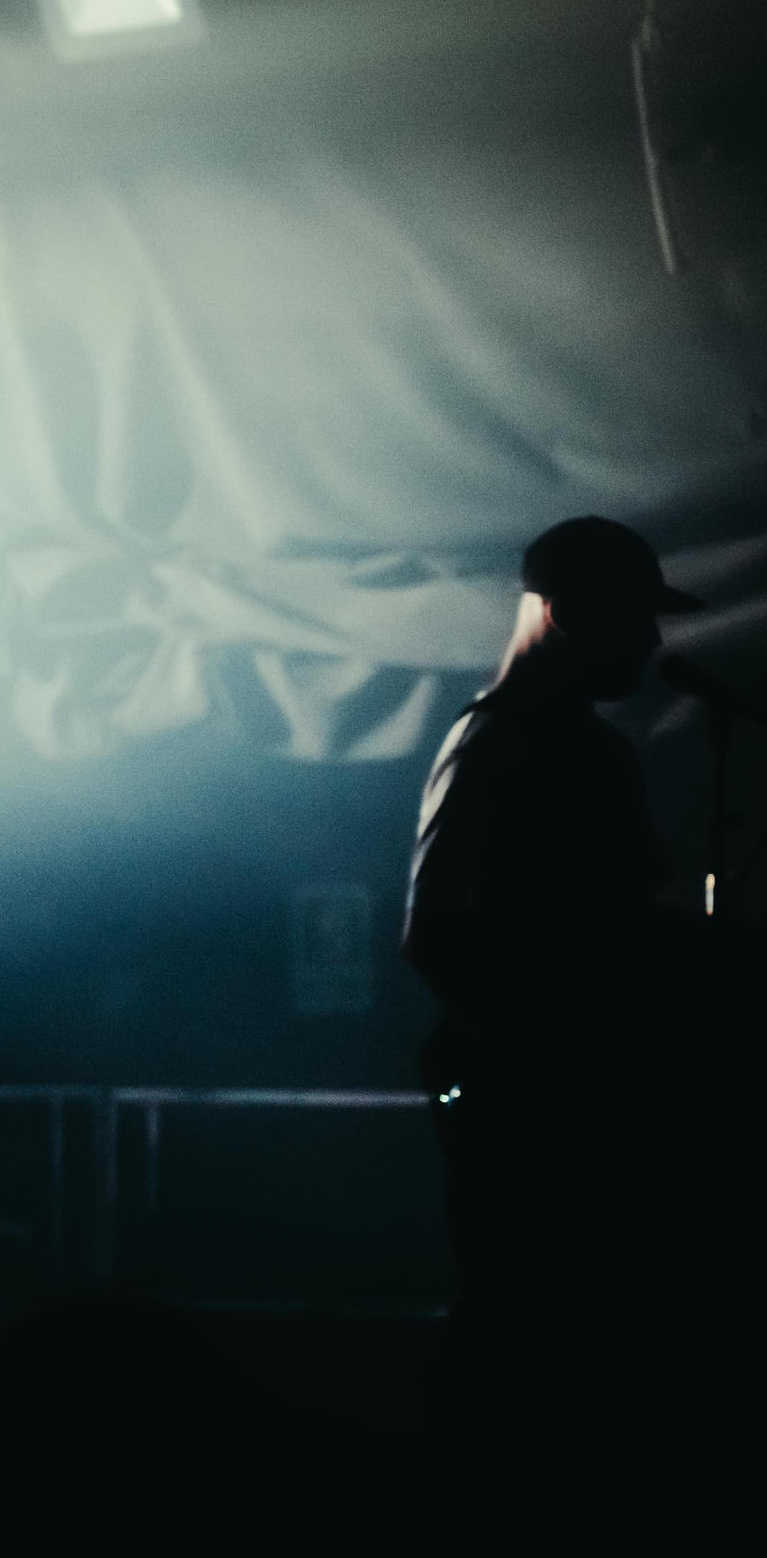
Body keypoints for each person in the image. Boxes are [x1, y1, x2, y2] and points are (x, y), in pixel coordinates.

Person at [400, 516, 752, 1505]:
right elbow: (432, 937)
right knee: (526, 1334)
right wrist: (541, 1071)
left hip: (570, 1110)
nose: (648, 642)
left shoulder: (575, 750)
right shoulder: (501, 745)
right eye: (631, 618)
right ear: (560, 613)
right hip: (547, 1119)